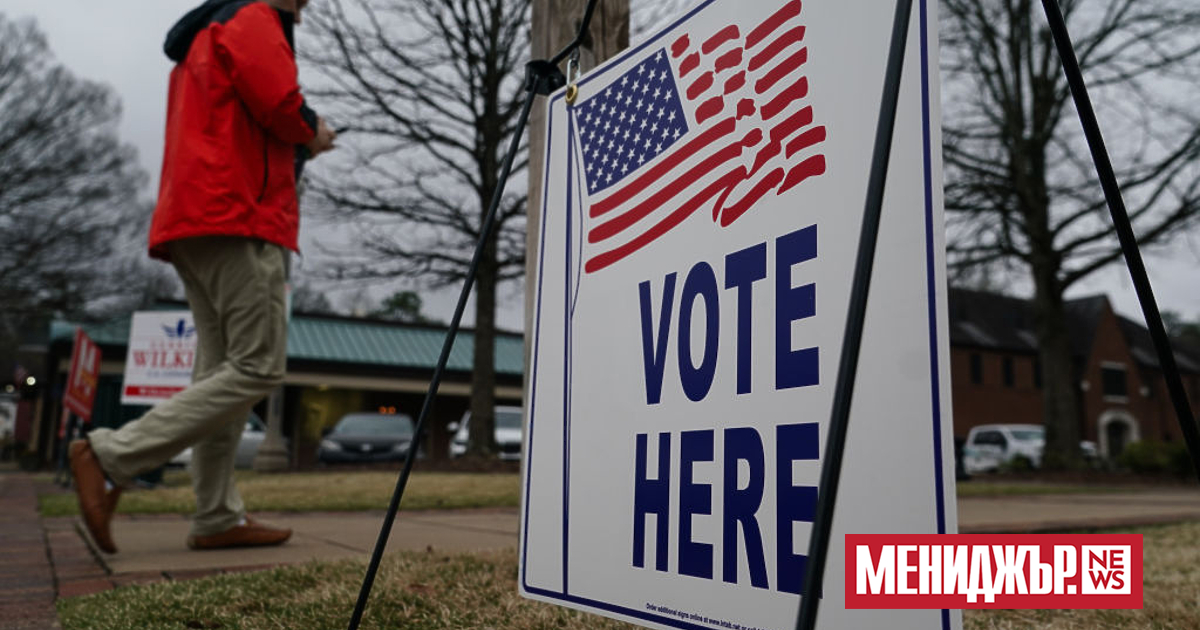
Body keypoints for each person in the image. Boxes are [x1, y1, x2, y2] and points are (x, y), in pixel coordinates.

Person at [69, 0, 336, 553]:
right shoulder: (256, 16)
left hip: (199, 214)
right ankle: (109, 455)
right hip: (239, 215)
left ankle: (216, 515)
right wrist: (313, 132)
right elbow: (280, 104)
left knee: (222, 371)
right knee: (259, 366)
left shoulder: (214, 27)